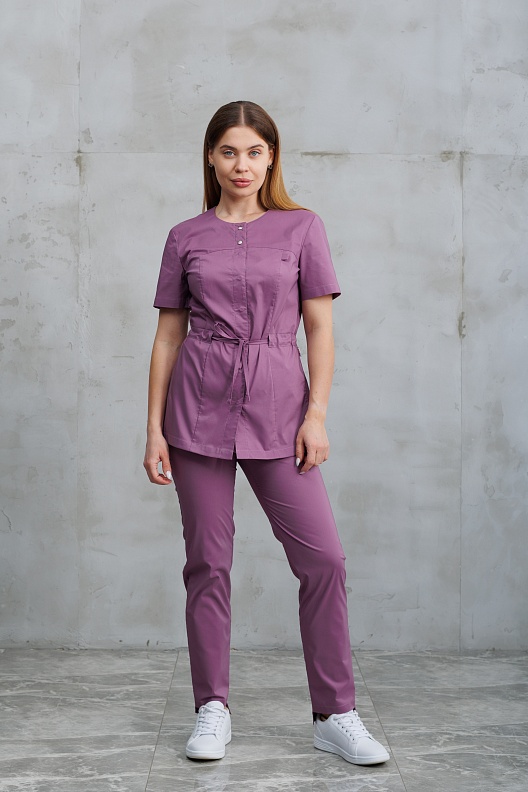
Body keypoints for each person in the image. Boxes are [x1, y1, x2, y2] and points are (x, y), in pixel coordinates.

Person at [143, 100, 389, 767]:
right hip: (196, 409)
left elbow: (320, 328)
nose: (241, 165)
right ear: (211, 157)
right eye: (228, 151)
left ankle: (334, 714)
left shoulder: (303, 228)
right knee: (208, 564)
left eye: (254, 151)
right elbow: (167, 337)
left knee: (324, 560)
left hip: (281, 410)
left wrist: (317, 414)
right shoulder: (185, 236)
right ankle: (212, 709)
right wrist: (154, 429)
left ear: (271, 156)